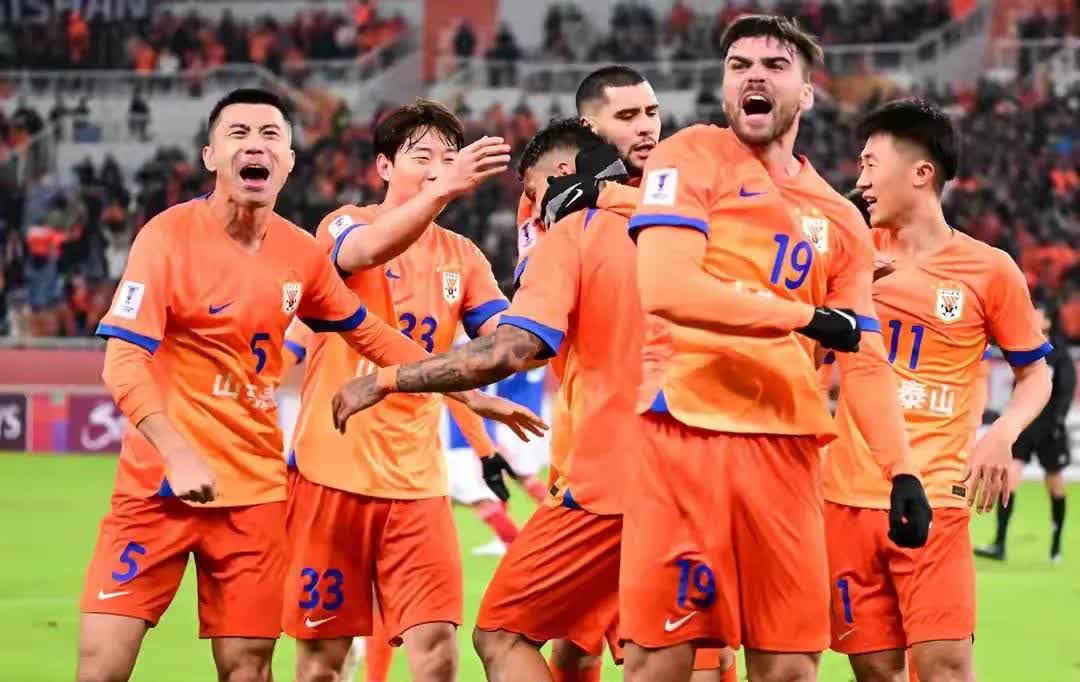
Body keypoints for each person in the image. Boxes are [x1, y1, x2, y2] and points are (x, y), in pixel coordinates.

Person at [76, 88, 542, 682]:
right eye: (239, 133)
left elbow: (374, 334)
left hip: (268, 493)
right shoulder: (206, 235)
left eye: (271, 134)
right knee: (106, 666)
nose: (256, 145)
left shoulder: (308, 253)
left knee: (264, 667)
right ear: (209, 155)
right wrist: (176, 450)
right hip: (211, 484)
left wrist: (468, 389)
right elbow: (122, 362)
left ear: (289, 160)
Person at [619, 16, 932, 682]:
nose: (752, 76)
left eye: (773, 65)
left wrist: (902, 470)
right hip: (685, 430)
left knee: (791, 664)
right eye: (738, 66)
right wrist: (805, 317)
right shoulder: (688, 155)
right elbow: (667, 288)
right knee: (658, 662)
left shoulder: (842, 219)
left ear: (807, 93)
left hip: (787, 451)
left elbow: (864, 355)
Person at [281, 100, 546, 682]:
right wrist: (443, 189)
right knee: (322, 663)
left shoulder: (463, 256)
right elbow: (366, 252)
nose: (437, 169)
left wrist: (546, 263)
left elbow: (508, 340)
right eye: (421, 157)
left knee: (437, 652)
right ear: (383, 166)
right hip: (332, 476)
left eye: (448, 159)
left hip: (418, 485)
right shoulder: (343, 224)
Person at [826, 98, 1053, 682]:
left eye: (871, 164)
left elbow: (1036, 373)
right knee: (874, 671)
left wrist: (1003, 432)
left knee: (945, 668)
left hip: (936, 497)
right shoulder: (846, 255)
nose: (861, 180)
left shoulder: (989, 269)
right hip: (845, 496)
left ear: (921, 173)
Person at [976, 303, 1072, 564]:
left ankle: (1056, 546)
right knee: (1009, 480)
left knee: (1055, 486)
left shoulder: (1060, 356)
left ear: (1048, 322)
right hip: (1026, 427)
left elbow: (1064, 393)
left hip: (1050, 430)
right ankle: (999, 543)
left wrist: (1057, 422)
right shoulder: (1024, 349)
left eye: (1037, 315)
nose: (1032, 318)